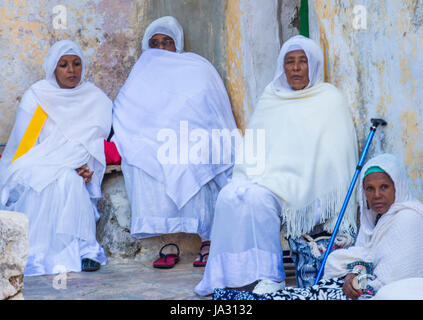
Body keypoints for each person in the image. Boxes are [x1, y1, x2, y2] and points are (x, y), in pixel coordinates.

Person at [195, 35, 358, 296]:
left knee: (259, 199)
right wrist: (253, 174)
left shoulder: (329, 99)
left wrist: (283, 178)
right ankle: (228, 273)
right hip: (268, 176)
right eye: (289, 62)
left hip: (308, 186)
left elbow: (335, 156)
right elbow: (255, 146)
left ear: (313, 64)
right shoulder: (271, 97)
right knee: (230, 195)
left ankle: (271, 275)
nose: (295, 68)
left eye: (302, 61)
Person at [112, 16, 238, 268]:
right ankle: (169, 239)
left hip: (192, 135)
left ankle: (209, 239)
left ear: (177, 45)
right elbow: (125, 111)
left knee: (197, 156)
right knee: (143, 161)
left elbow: (211, 110)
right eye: (154, 43)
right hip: (154, 139)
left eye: (167, 42)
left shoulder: (197, 67)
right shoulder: (141, 72)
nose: (160, 49)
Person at [212, 153, 423, 300]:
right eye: (370, 189)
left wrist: (358, 279)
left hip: (374, 294)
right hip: (357, 289)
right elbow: (367, 256)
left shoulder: (408, 219)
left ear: (399, 186)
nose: (376, 195)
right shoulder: (379, 219)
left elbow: (392, 280)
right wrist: (355, 273)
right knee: (300, 295)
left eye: (384, 187)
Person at [0, 40, 112, 276]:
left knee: (69, 180)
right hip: (41, 160)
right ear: (53, 68)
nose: (71, 70)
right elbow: (27, 144)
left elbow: (94, 140)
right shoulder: (39, 96)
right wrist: (66, 164)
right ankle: (74, 250)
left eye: (76, 64)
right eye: (63, 65)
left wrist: (83, 165)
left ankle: (83, 249)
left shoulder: (94, 97)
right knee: (58, 179)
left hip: (80, 163)